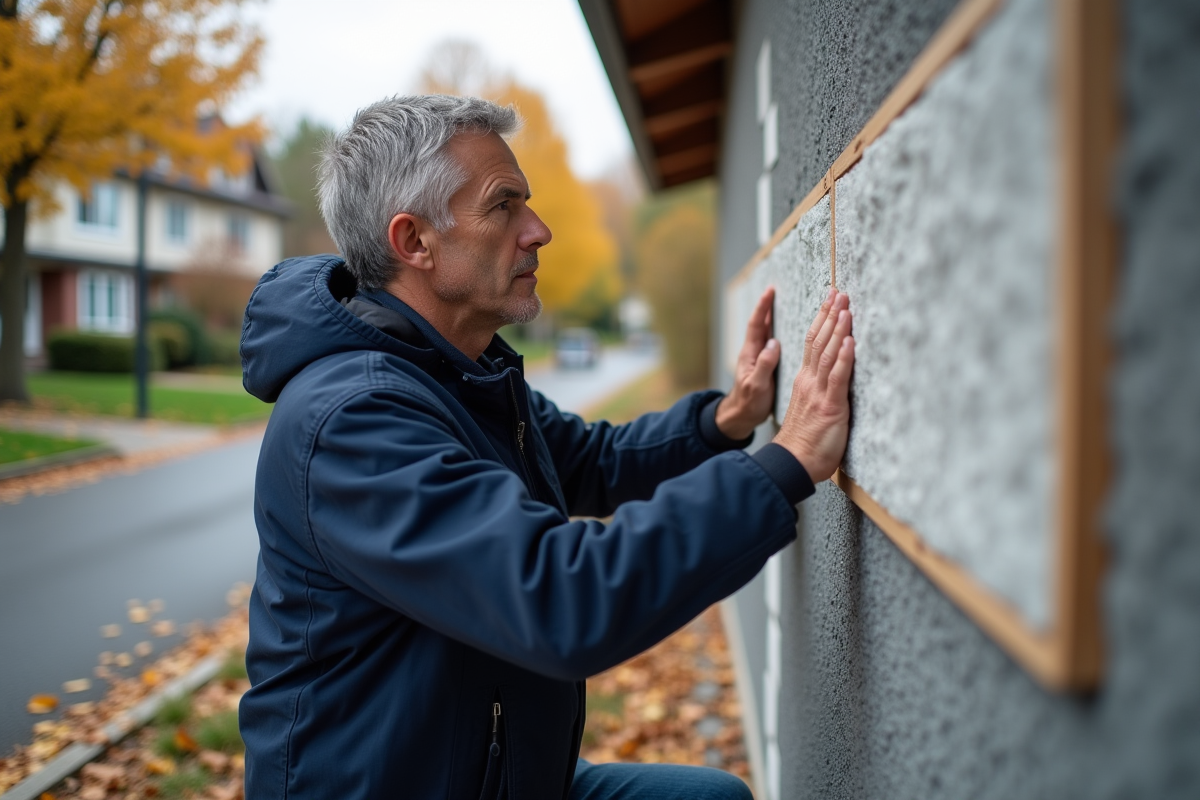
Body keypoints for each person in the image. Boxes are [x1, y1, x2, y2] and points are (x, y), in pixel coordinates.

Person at [238, 94, 855, 800]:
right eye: (504, 206)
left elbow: (592, 461)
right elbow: (562, 598)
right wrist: (790, 460)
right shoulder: (355, 421)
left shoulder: (456, 371)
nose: (539, 230)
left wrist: (728, 421)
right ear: (415, 242)